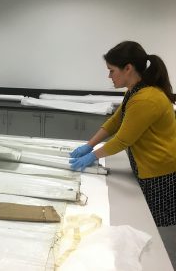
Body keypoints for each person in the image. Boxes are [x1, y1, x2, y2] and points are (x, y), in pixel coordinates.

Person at [69, 41, 176, 228]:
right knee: (142, 220)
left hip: (160, 172)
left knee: (151, 225)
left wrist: (91, 156)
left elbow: (122, 140)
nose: (109, 76)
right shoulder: (134, 92)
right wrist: (89, 145)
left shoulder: (146, 98)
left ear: (128, 68)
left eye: (111, 70)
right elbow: (115, 122)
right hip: (148, 165)